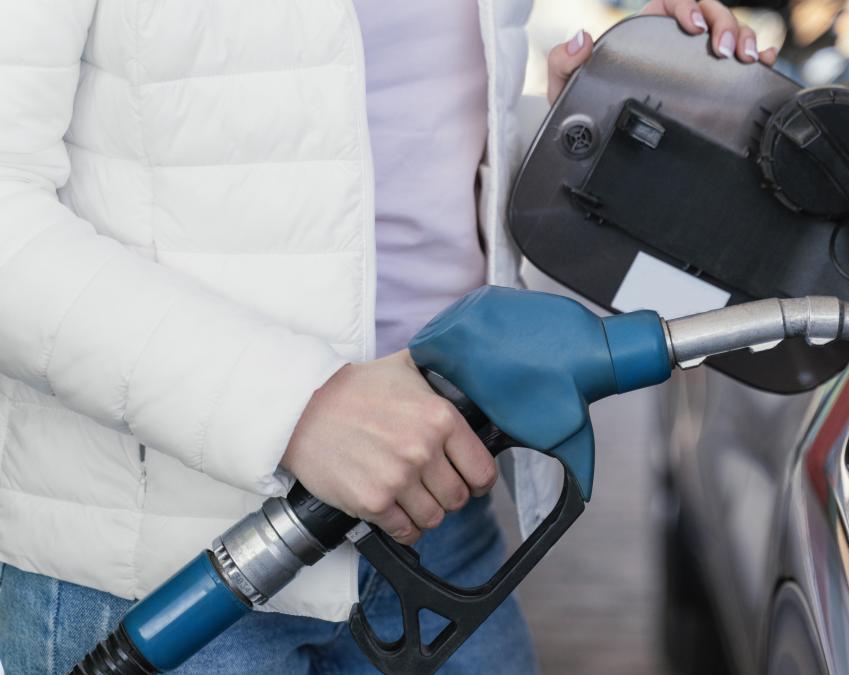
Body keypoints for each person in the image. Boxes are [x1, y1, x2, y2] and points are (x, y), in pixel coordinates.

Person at [0, 0, 775, 672]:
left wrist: (583, 137)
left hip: (437, 520)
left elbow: (403, 167)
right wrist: (299, 407)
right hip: (168, 562)